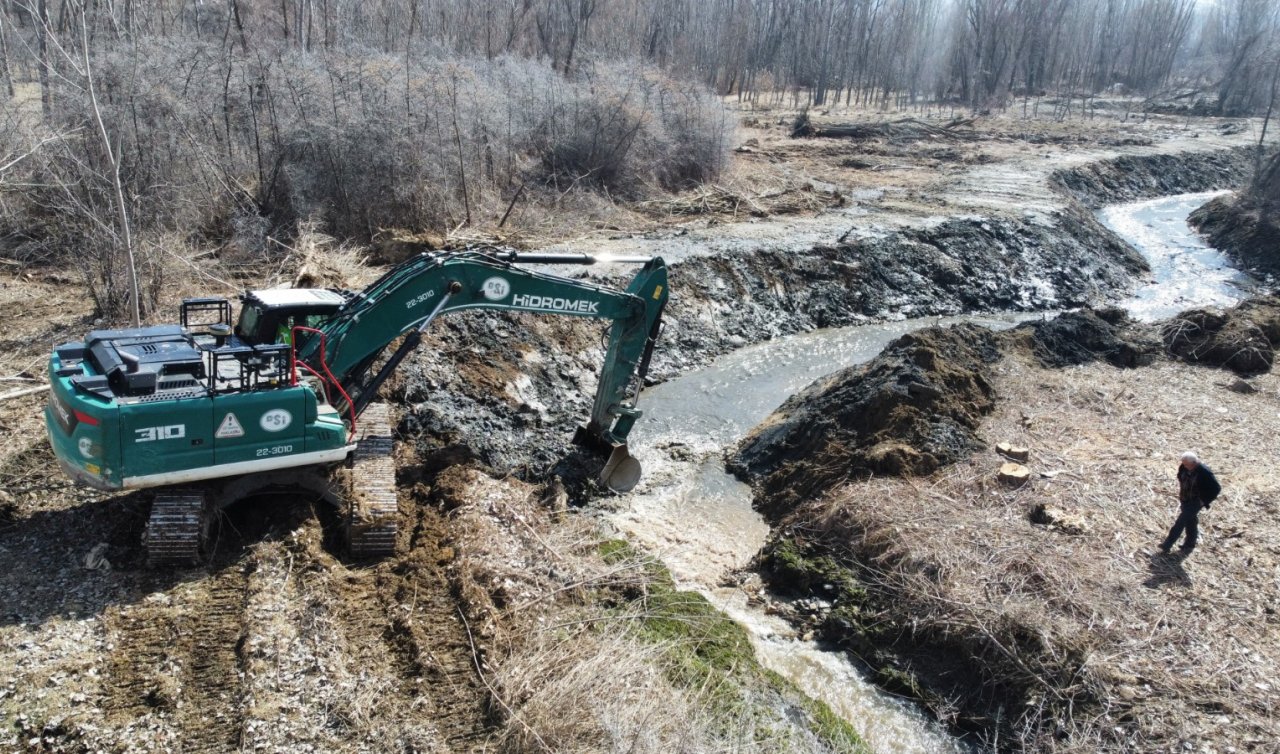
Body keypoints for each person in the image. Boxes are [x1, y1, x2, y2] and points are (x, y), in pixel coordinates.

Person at [1159, 451, 1221, 555]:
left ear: (1194, 462)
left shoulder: (1204, 472)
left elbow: (1216, 488)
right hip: (1185, 498)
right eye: (1183, 464)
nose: (1184, 466)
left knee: (1180, 521)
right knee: (1190, 521)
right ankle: (1190, 544)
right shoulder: (1184, 466)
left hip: (1196, 501)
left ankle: (1167, 544)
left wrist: (1203, 501)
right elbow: (1180, 475)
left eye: (1186, 464)